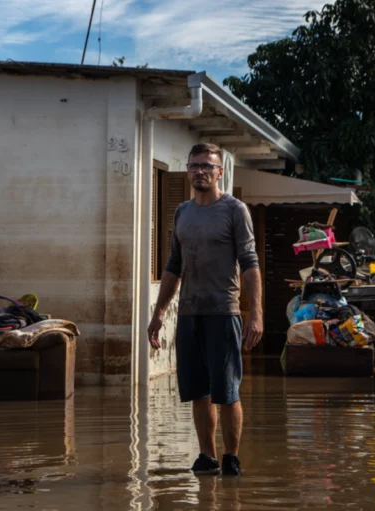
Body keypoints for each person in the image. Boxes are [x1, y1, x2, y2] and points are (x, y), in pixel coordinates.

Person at [147, 143, 263, 477]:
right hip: (188, 313)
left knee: (226, 392)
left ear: (219, 172)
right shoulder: (182, 212)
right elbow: (173, 266)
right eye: (194, 166)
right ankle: (207, 456)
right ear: (187, 170)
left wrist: (254, 312)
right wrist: (158, 314)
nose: (200, 172)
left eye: (207, 167)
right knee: (198, 390)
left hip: (223, 312)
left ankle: (231, 458)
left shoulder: (234, 210)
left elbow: (250, 264)